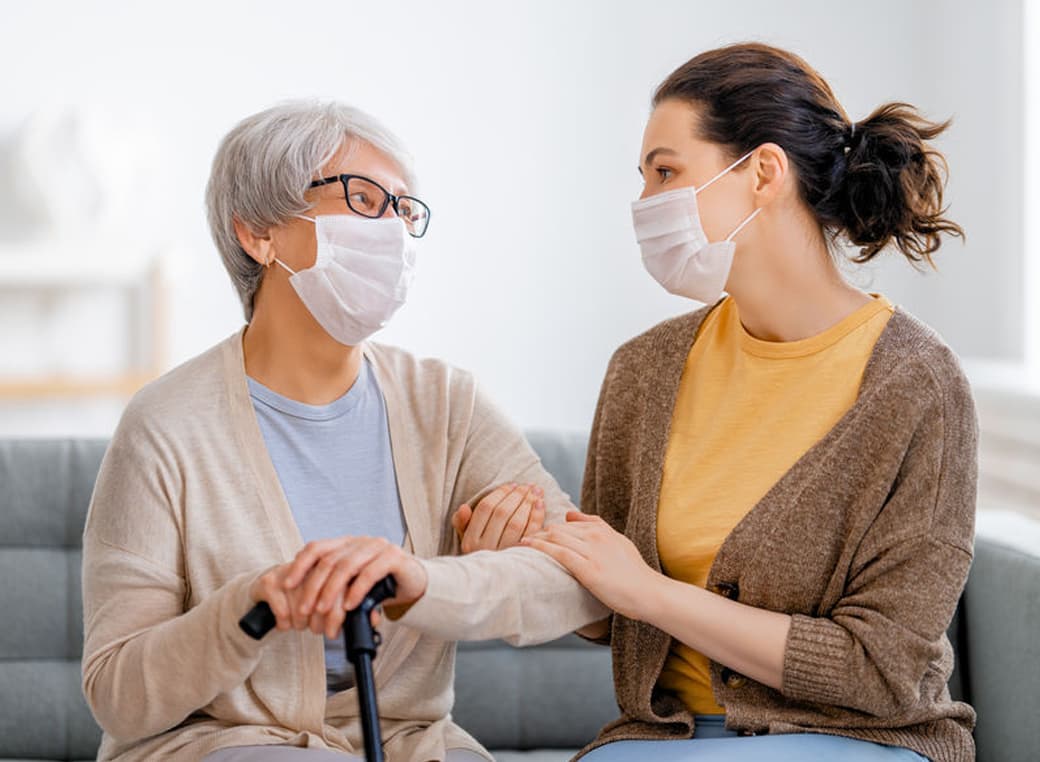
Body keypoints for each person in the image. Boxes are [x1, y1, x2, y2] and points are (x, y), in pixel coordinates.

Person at [80, 100, 606, 762]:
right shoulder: (165, 426)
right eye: (364, 199)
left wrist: (426, 581)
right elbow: (117, 693)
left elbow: (589, 589)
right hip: (222, 746)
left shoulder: (447, 404)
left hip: (414, 746)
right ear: (258, 234)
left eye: (405, 210)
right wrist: (253, 606)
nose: (393, 231)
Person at [519, 43, 976, 761]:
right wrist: (533, 551)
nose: (645, 205)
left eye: (665, 172)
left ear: (762, 172)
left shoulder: (917, 384)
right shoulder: (643, 370)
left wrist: (650, 593)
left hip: (854, 736)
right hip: (662, 736)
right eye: (642, 179)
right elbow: (613, 615)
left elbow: (882, 669)